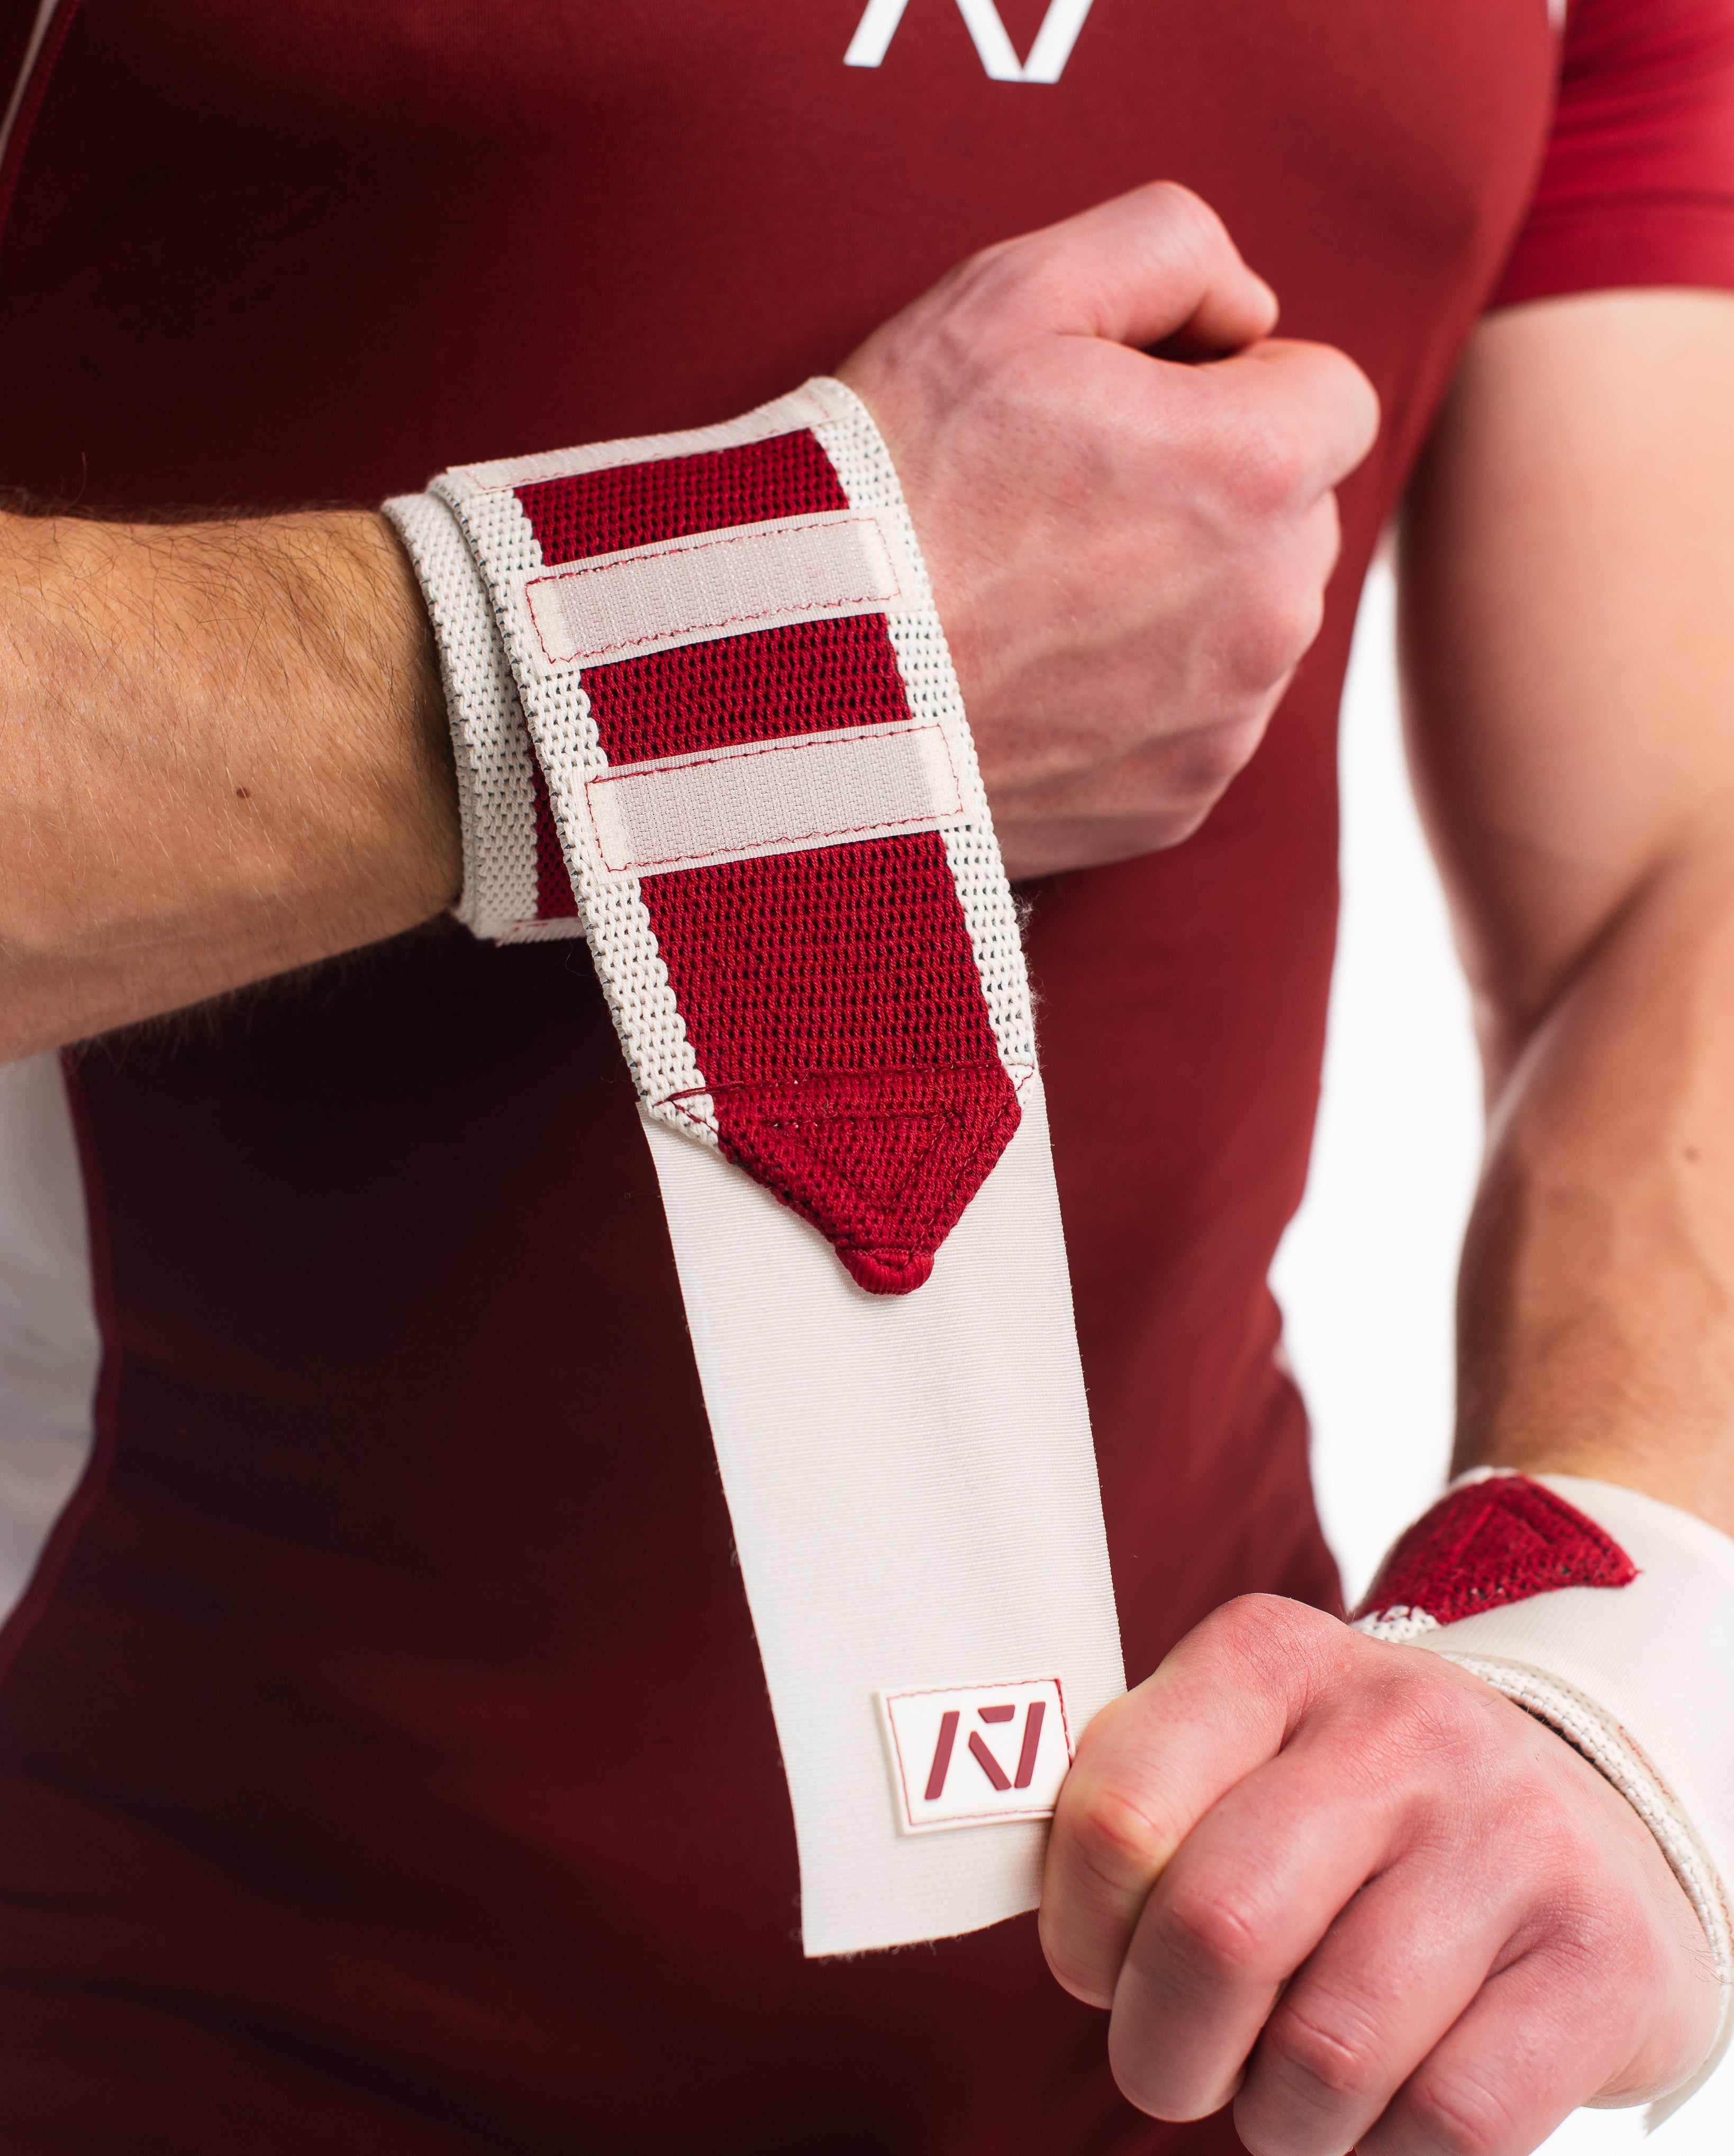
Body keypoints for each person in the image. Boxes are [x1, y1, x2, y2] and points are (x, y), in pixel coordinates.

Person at [0, 0, 1730, 2149]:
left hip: (1195, 2018)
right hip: (124, 2000)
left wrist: (1604, 1623)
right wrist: (718, 637)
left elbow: (1673, 847)